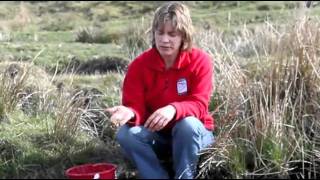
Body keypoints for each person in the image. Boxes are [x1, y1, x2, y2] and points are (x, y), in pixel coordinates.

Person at [106, 2, 215, 179]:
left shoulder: (200, 61)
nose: (165, 39)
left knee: (188, 125)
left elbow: (199, 105)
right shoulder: (139, 66)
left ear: (184, 36)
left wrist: (173, 109)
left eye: (172, 34)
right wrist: (130, 113)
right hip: (158, 137)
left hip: (194, 136)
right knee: (126, 134)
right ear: (153, 34)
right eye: (160, 33)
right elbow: (136, 107)